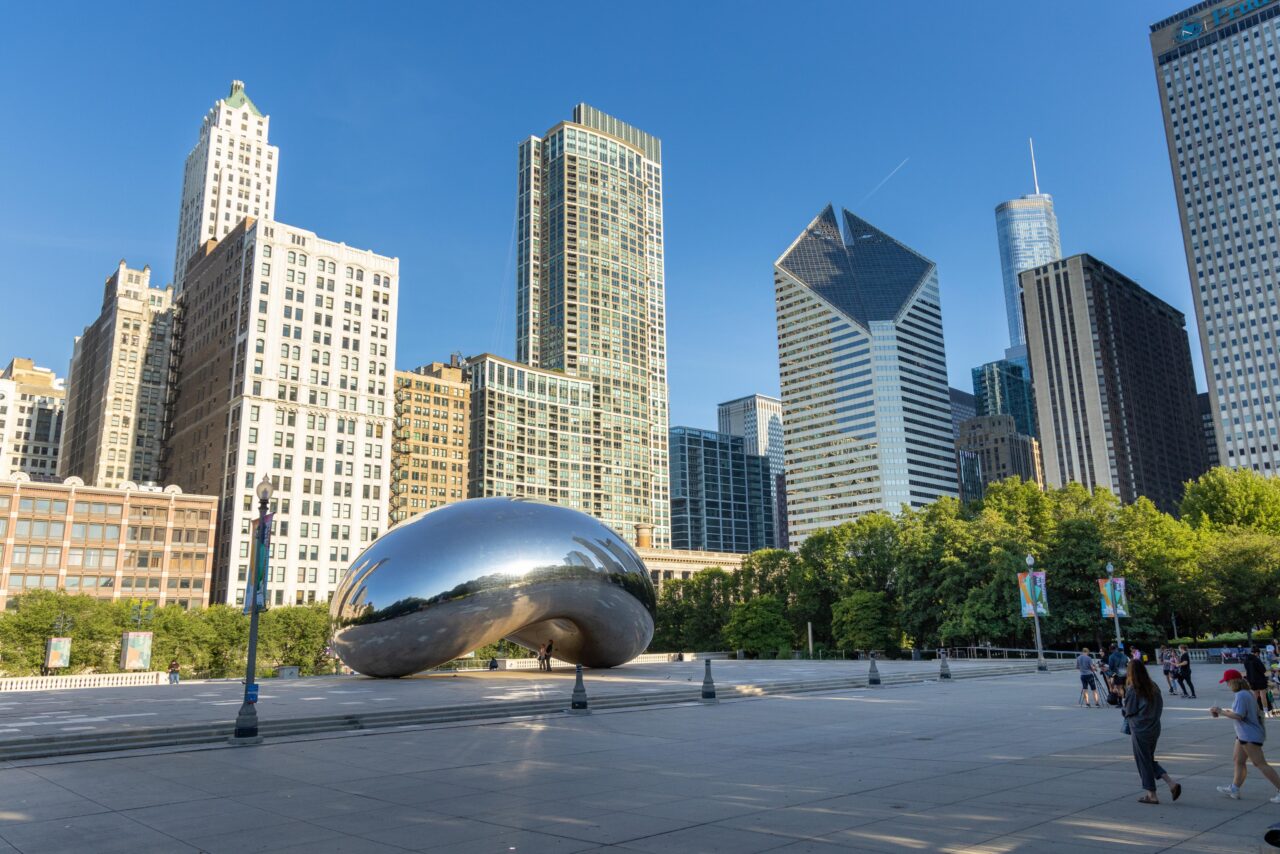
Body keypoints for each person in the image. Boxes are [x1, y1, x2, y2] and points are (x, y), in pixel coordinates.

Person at [1211, 668, 1280, 802]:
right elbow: (1242, 713)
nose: (1227, 685)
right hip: (1244, 734)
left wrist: (1221, 711)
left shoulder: (1241, 695)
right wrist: (1226, 711)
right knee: (1238, 760)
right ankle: (1235, 788)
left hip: (1249, 735)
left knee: (1259, 763)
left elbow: (1239, 716)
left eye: (1227, 682)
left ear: (1233, 681)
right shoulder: (1245, 693)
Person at [1124, 661, 1181, 804]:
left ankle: (1152, 794)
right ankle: (1171, 783)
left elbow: (1129, 711)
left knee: (1143, 761)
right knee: (1148, 759)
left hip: (1140, 729)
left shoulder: (1133, 689)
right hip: (1154, 727)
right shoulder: (1153, 686)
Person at [1244, 646, 1275, 716]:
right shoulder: (1256, 660)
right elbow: (1263, 670)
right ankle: (1265, 711)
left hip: (1251, 680)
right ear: (1257, 653)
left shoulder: (1246, 660)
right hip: (1260, 680)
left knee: (1255, 696)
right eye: (1258, 653)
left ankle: (1254, 710)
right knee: (1263, 696)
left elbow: (1247, 669)